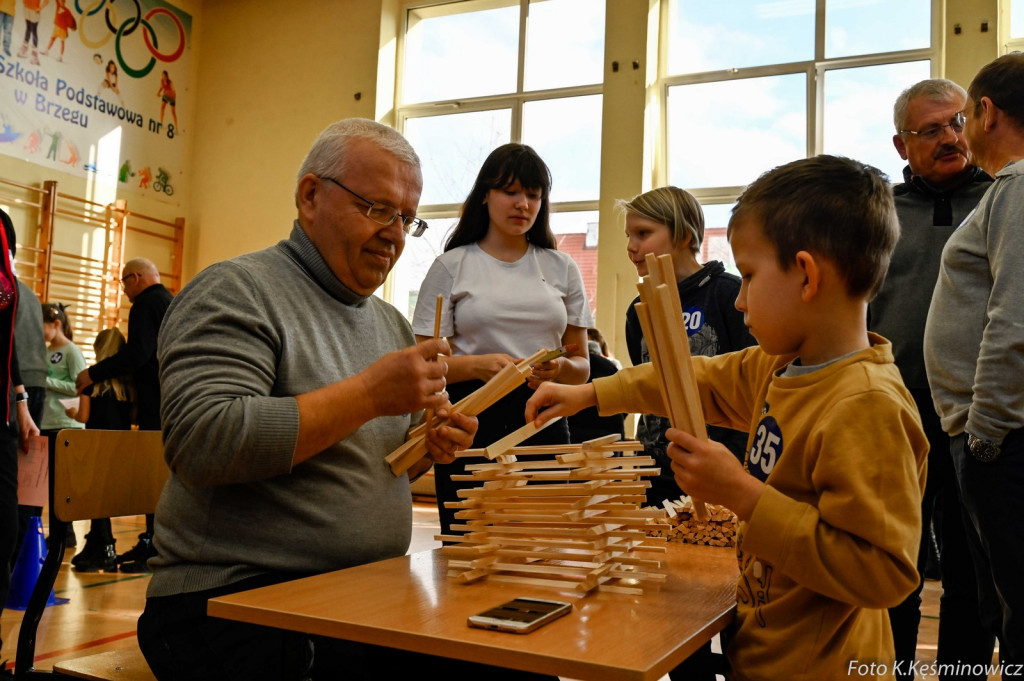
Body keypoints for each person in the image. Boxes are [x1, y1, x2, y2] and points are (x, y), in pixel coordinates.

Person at [135, 118, 554, 681]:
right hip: (235, 597)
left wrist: (425, 447)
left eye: (406, 218)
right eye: (377, 209)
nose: (394, 234)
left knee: (515, 664)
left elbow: (375, 465)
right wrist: (368, 395)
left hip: (361, 590)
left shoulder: (388, 323)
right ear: (311, 196)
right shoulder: (237, 289)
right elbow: (203, 443)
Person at [527, 155, 928, 681]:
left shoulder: (867, 405)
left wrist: (741, 494)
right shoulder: (779, 366)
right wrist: (591, 394)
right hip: (763, 655)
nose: (739, 300)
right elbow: (689, 377)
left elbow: (882, 573)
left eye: (751, 276)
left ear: (806, 275)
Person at [871, 78, 995, 679]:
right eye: (931, 130)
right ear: (902, 145)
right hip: (896, 413)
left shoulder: (1001, 199)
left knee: (974, 571)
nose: (950, 137)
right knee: (896, 564)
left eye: (957, 122)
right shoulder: (878, 213)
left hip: (977, 415)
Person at [410, 143, 593, 537]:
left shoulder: (562, 267)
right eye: (510, 192)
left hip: (543, 419)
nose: (522, 204)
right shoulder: (452, 265)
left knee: (543, 546)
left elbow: (582, 370)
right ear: (485, 196)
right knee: (470, 548)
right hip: (468, 421)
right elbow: (420, 366)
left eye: (533, 195)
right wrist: (476, 366)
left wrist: (558, 367)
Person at [924, 52, 1024, 671]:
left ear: (986, 112)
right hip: (997, 437)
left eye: (961, 119)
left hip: (1001, 442)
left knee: (1016, 614)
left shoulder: (1015, 188)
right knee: (1002, 611)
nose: (957, 135)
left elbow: (1014, 322)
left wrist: (985, 435)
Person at [620, 186, 756, 509]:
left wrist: (738, 464)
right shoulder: (638, 311)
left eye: (643, 233)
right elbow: (644, 383)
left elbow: (751, 389)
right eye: (629, 235)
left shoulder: (729, 296)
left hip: (716, 472)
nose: (631, 246)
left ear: (683, 235)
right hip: (653, 470)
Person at [76, 257, 172, 572]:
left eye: (123, 282)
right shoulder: (168, 301)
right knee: (158, 474)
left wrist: (93, 373)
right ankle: (152, 541)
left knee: (150, 475)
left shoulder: (145, 303)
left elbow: (138, 354)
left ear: (136, 277)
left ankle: (154, 547)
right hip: (170, 399)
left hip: (156, 403)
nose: (124, 290)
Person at [0, 211, 38, 657]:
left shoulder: (10, 287)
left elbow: (6, 344)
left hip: (6, 413)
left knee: (5, 527)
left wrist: (22, 401)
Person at [66, 328, 134, 573]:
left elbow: (83, 416)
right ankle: (96, 544)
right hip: (120, 447)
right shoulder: (128, 384)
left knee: (96, 499)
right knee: (104, 497)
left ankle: (105, 547)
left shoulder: (90, 383)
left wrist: (71, 412)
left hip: (96, 445)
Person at [40, 302, 85, 545]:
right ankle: (50, 533)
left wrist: (47, 381)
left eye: (42, 326)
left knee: (61, 483)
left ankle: (65, 534)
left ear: (56, 324)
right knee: (45, 483)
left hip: (66, 423)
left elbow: (79, 387)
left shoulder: (72, 351)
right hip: (45, 421)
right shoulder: (45, 351)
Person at [567, 328, 625, 443]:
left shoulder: (570, 367)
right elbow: (624, 401)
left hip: (576, 433)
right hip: (611, 433)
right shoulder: (612, 365)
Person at [15, 0, 47, 66]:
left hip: (34, 11)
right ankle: (24, 48)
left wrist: (40, 8)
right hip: (27, 8)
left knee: (33, 31)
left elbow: (47, 1)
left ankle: (35, 56)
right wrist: (24, 2)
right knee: (28, 28)